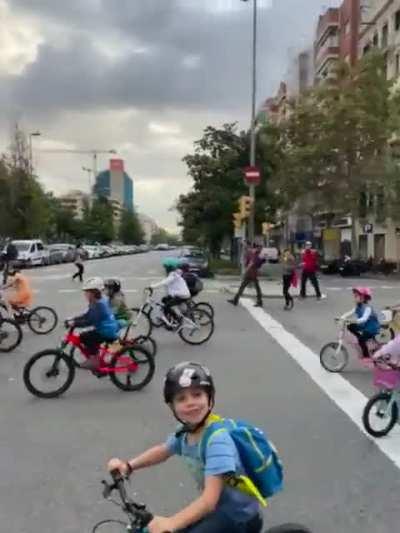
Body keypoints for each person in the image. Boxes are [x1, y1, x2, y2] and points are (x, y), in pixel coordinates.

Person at [107, 362, 264, 533]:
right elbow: (164, 450)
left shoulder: (218, 442)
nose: (190, 403)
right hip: (216, 509)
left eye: (197, 395)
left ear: (209, 399)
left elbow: (208, 501)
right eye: (181, 398)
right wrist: (129, 466)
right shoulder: (186, 432)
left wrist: (171, 523)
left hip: (236, 516)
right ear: (171, 406)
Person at [66, 277, 119, 369]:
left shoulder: (99, 305)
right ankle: (95, 356)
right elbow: (87, 315)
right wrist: (73, 319)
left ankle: (94, 361)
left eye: (87, 292)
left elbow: (90, 321)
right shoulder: (95, 302)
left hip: (107, 331)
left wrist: (74, 323)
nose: (85, 294)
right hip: (104, 328)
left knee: (88, 337)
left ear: (94, 292)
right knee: (84, 336)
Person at [340, 287, 380, 359]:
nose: (354, 298)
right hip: (364, 326)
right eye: (354, 296)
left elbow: (364, 319)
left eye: (356, 296)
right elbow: (350, 312)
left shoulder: (368, 307)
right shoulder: (358, 306)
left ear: (362, 297)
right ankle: (360, 337)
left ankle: (366, 356)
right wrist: (342, 317)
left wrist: (352, 320)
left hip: (371, 328)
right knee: (350, 326)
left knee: (361, 340)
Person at [228, 243, 265, 308]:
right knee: (254, 287)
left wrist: (246, 271)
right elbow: (252, 263)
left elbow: (252, 263)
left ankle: (236, 300)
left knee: (248, 287)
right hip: (252, 273)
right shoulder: (253, 254)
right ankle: (236, 300)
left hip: (251, 273)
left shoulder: (255, 255)